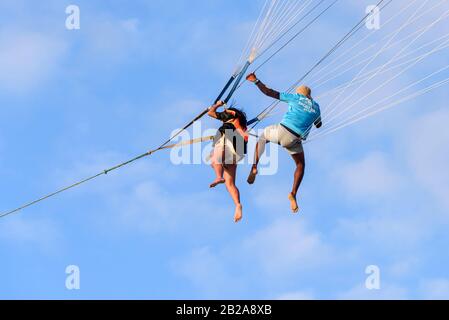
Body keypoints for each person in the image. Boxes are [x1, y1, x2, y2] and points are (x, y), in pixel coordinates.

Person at [245, 72, 322, 213]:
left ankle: (254, 166)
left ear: (299, 93)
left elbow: (269, 92)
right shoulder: (316, 107)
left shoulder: (296, 97)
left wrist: (256, 81)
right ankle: (293, 193)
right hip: (294, 140)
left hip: (281, 131)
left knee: (263, 137)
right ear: (310, 96)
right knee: (300, 165)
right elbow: (319, 124)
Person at [207, 100, 249, 223]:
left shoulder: (233, 117)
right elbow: (212, 113)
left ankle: (218, 177)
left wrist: (218, 105)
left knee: (215, 158)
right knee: (229, 183)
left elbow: (211, 113)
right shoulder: (237, 121)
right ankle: (237, 204)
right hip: (238, 151)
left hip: (231, 140)